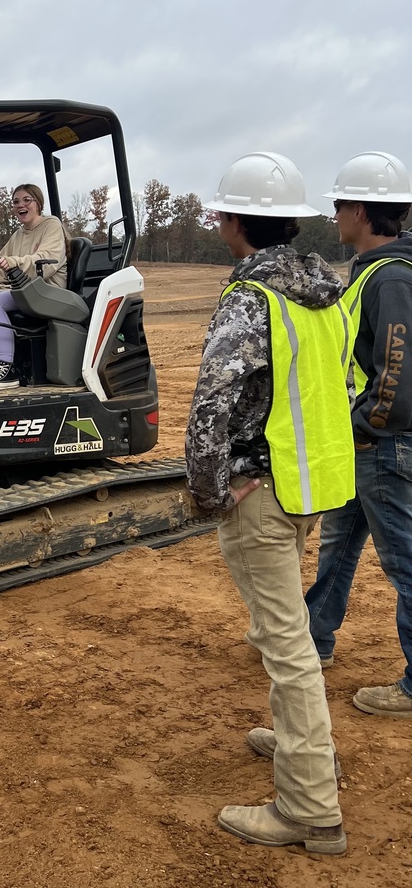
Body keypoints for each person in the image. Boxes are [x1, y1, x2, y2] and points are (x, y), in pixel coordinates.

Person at [185, 152, 353, 854]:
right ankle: (301, 743)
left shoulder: (251, 299)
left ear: (236, 222)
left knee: (286, 645)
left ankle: (311, 807)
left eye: (221, 211)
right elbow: (339, 390)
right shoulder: (323, 292)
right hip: (308, 485)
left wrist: (213, 491)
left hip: (262, 491)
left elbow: (209, 411)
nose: (218, 221)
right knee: (288, 638)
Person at [305, 151, 412, 719]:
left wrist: (369, 425)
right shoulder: (377, 268)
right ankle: (313, 637)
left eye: (343, 203)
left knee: (404, 561)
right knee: (340, 542)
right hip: (366, 440)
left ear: (365, 211)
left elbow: (397, 364)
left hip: (383, 442)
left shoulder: (390, 275)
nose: (338, 213)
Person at [0, 183, 67, 391]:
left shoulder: (51, 225)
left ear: (38, 203)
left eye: (27, 200)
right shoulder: (18, 235)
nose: (20, 205)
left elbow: (46, 260)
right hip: (19, 288)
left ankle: (8, 368)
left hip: (46, 288)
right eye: (16, 202)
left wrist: (14, 263)